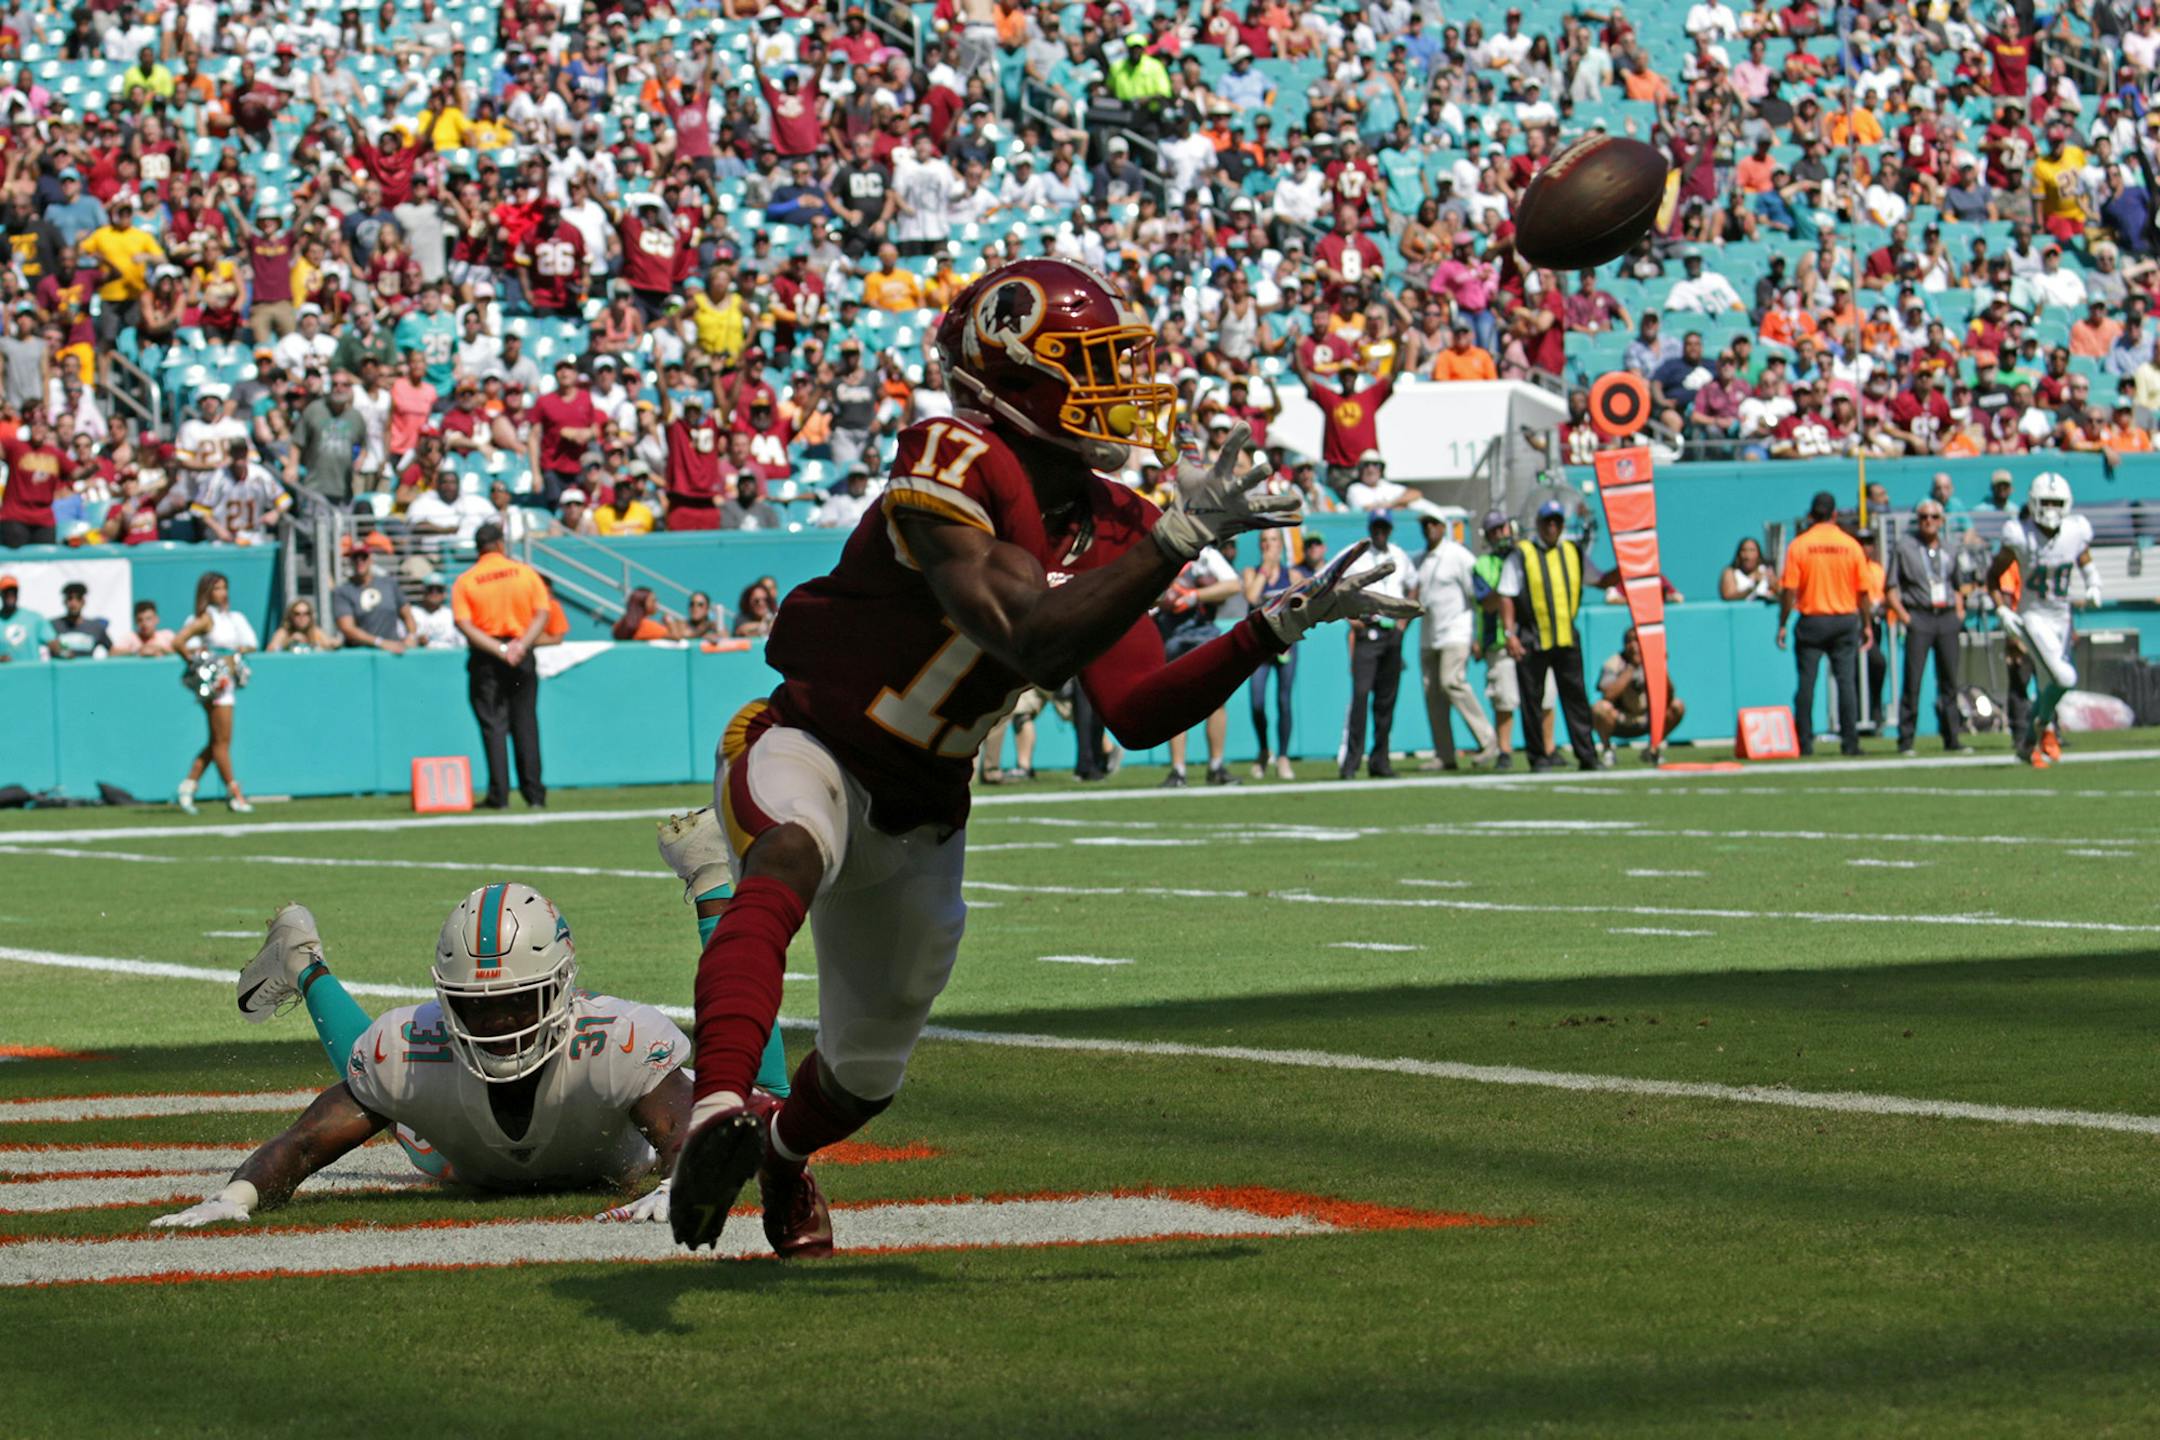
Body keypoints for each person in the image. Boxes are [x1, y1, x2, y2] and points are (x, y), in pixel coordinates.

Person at [669, 259, 1412, 1257]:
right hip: (814, 744)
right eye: (1091, 364)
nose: (1118, 386)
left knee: (866, 1073)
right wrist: (1180, 540)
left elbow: (1137, 711)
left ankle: (779, 1154)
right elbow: (1023, 631)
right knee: (789, 859)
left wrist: (1269, 629)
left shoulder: (1119, 522)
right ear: (1009, 377)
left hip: (930, 805)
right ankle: (718, 1104)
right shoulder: (952, 454)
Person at [156, 883, 795, 1240]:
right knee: (373, 1064)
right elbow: (300, 1146)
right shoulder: (409, 1045)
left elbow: (693, 1137)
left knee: (759, 1103)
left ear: (561, 989)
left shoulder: (615, 1040)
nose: (496, 1024)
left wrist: (676, 1182)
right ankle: (302, 962)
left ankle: (713, 883)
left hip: (553, 1151)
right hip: (458, 1157)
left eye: (518, 1002)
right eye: (474, 1007)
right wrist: (236, 1195)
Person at [1497, 501, 1620, 771]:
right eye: (1547, 522)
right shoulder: (1523, 553)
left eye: (1557, 522)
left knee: (1576, 698)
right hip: (1532, 635)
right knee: (1532, 700)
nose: (1552, 527)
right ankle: (1538, 757)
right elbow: (1507, 593)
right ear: (1538, 524)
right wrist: (1510, 633)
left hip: (1566, 636)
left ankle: (1587, 756)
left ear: (1562, 525)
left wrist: (1626, 564)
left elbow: (1600, 580)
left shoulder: (1573, 552)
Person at [1987, 472, 2099, 767]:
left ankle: (2029, 740)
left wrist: (2094, 583)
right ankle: (2044, 728)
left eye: (2055, 502)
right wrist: (2001, 609)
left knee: (2052, 681)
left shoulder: (2075, 531)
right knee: (2065, 678)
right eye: (2045, 502)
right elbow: (1993, 575)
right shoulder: (2019, 535)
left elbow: (2084, 559)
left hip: (2061, 618)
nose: (2050, 508)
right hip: (2033, 616)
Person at [451, 522, 548, 809]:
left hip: (488, 656)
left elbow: (463, 623)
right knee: (525, 724)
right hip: (521, 652)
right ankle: (534, 795)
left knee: (493, 726)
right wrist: (521, 645)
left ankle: (500, 795)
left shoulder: (467, 580)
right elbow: (542, 612)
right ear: (500, 545)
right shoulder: (525, 573)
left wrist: (500, 649)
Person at [1776, 491, 1870, 756]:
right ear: (1835, 515)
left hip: (1812, 619)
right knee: (1846, 684)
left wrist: (1782, 623)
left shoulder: (1800, 545)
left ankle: (1804, 742)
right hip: (1843, 619)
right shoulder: (1850, 545)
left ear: (1811, 515)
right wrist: (1866, 624)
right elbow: (1863, 590)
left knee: (1806, 683)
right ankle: (1850, 742)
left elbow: (1789, 589)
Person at [1411, 513, 1498, 769]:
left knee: (1452, 682)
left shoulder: (1458, 555)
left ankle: (1487, 738)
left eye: (1434, 523)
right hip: (1428, 636)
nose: (1429, 528)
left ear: (1443, 527)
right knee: (1433, 696)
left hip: (1455, 632)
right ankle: (1444, 753)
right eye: (1424, 524)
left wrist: (1477, 634)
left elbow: (1478, 595)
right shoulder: (1419, 560)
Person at [1155, 540, 1243, 788]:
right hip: (1171, 636)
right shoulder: (1161, 552)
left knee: (1215, 701)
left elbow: (1232, 584)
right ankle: (1178, 769)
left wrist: (1195, 596)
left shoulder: (1206, 555)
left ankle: (1215, 765)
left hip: (1203, 634)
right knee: (1175, 702)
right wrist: (1167, 599)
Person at [1886, 500, 1971, 755]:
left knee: (1949, 681)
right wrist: (1905, 617)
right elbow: (1890, 587)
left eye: (1934, 517)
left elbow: (1959, 586)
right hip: (1919, 615)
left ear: (1942, 520)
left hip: (1946, 617)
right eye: (1924, 516)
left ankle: (1952, 737)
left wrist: (1959, 612)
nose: (1929, 521)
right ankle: (1906, 740)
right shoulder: (1905, 547)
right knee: (1913, 680)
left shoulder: (1950, 548)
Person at [1339, 511, 1416, 778]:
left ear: (1390, 529)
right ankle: (1351, 761)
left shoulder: (1399, 555)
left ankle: (1380, 760)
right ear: (1371, 528)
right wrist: (1352, 620)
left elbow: (1413, 585)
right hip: (1366, 633)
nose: (1380, 532)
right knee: (1361, 697)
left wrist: (1403, 623)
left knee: (1386, 700)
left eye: (1384, 528)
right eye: (1377, 527)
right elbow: (1338, 587)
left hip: (1391, 632)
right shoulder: (1356, 554)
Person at [174, 571, 258, 814]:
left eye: (224, 587)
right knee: (222, 742)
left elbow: (247, 644)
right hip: (216, 685)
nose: (223, 593)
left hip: (228, 682)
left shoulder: (228, 618)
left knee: (217, 741)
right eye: (217, 588)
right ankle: (235, 793)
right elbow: (178, 642)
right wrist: (199, 665)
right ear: (208, 592)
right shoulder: (206, 618)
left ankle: (188, 787)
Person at [1240, 528, 1305, 780]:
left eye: (1273, 540)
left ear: (1281, 544)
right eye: (1264, 541)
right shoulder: (1251, 572)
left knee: (1284, 701)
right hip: (1259, 648)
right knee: (1257, 702)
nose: (1269, 545)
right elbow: (1252, 596)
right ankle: (1263, 749)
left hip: (1285, 645)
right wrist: (1266, 568)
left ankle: (1283, 756)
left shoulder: (1293, 575)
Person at [1469, 512, 1521, 771]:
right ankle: (1505, 750)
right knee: (1504, 698)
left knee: (1543, 697)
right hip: (1498, 640)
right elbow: (1488, 602)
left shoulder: (1523, 556)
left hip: (1530, 637)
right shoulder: (1483, 565)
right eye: (1493, 531)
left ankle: (1546, 749)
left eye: (1502, 528)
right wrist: (1508, 584)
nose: (1500, 535)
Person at [1591, 626, 1685, 765]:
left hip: (1647, 718)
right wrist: (1632, 668)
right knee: (1600, 708)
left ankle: (1652, 749)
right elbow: (1608, 695)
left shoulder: (1653, 660)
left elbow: (1669, 695)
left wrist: (1660, 667)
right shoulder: (1613, 663)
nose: (1633, 645)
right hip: (1621, 718)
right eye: (1629, 641)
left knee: (1677, 706)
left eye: (1637, 640)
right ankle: (1607, 750)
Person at [333, 545, 414, 653]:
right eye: (355, 558)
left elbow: (407, 614)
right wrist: (380, 643)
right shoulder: (342, 591)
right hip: (361, 653)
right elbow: (347, 628)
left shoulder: (389, 583)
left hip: (393, 651)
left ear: (370, 559)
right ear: (350, 561)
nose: (359, 561)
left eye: (363, 557)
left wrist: (411, 636)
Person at [48, 581, 114, 659]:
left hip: (87, 671)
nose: (73, 603)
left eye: (78, 598)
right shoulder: (52, 626)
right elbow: (48, 645)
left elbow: (112, 650)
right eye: (70, 598)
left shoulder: (95, 627)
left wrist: (130, 651)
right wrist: (64, 653)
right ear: (64, 601)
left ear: (83, 601)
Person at [0, 573, 53, 662]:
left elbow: (53, 642)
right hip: (4, 674)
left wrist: (64, 652)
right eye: (6, 592)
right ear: (1, 594)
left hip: (31, 673)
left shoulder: (34, 618)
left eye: (13, 591)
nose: (10, 595)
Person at [614, 587, 691, 641]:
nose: (657, 604)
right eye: (653, 601)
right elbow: (676, 637)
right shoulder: (646, 625)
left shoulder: (619, 625)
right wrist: (669, 620)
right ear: (642, 603)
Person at [410, 573, 463, 649]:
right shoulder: (412, 613)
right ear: (423, 592)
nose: (434, 593)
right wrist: (416, 641)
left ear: (444, 593)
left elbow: (461, 643)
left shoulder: (452, 615)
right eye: (430, 589)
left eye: (439, 589)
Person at [266, 598, 338, 652]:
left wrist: (334, 643)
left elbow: (329, 644)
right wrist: (289, 642)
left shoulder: (315, 632)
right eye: (297, 614)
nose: (302, 617)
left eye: (306, 613)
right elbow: (269, 651)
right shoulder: (283, 632)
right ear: (291, 616)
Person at [1719, 537, 1778, 602]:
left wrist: (1774, 584)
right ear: (1739, 554)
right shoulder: (1731, 572)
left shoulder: (1766, 570)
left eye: (1752, 550)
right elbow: (1728, 596)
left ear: (1758, 553)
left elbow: (1781, 593)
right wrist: (1752, 587)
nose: (1748, 556)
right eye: (1744, 550)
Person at [111, 600, 177, 657]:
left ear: (157, 619)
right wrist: (137, 651)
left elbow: (181, 650)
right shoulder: (130, 637)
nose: (144, 623)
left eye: (148, 619)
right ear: (135, 622)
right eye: (140, 620)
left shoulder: (167, 635)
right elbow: (112, 653)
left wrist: (159, 649)